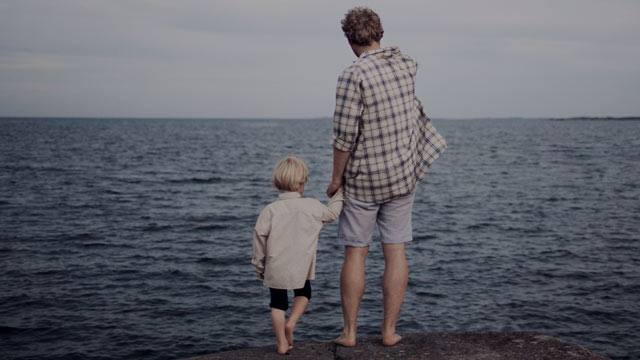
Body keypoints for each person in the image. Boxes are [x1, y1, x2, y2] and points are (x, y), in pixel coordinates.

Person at [326, 7, 447, 347]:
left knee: (356, 254)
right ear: (380, 33)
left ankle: (349, 333)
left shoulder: (352, 75)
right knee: (396, 253)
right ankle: (389, 332)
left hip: (364, 180)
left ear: (349, 40)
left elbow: (344, 137)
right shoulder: (406, 65)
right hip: (401, 177)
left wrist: (336, 180)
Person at [252, 156, 344, 354]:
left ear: (278, 182)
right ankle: (291, 324)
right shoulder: (311, 205)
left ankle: (282, 344)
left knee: (277, 303)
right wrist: (341, 192)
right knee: (304, 293)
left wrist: (259, 265)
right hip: (301, 266)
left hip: (275, 265)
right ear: (302, 183)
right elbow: (332, 213)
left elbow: (259, 239)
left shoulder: (270, 210)